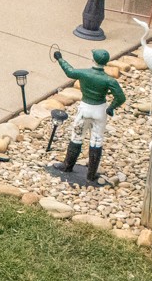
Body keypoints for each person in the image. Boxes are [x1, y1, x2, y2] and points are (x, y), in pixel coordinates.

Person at [52, 45, 126, 183]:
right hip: (100, 109)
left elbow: (70, 71)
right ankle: (91, 174)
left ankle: (67, 166)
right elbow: (121, 97)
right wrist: (111, 107)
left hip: (85, 108)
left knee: (77, 136)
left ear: (94, 60)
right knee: (97, 140)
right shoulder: (109, 80)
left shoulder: (85, 73)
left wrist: (60, 59)